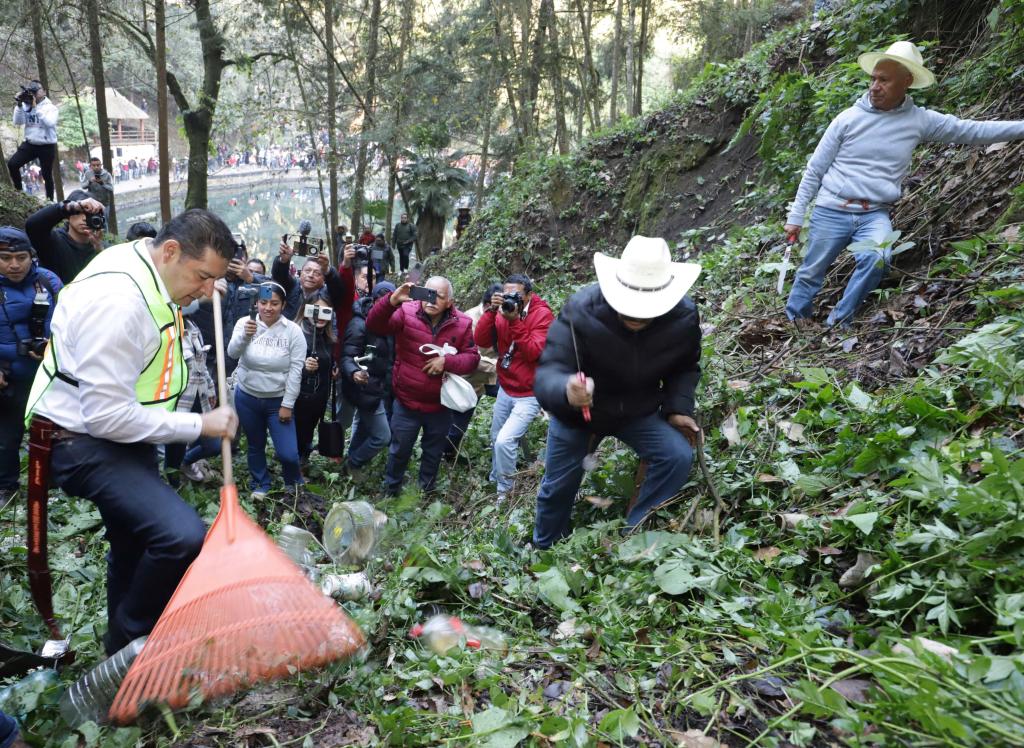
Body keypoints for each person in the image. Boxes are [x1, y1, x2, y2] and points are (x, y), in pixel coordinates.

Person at [24, 209, 239, 655]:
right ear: (171, 250)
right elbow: (105, 416)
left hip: (128, 430)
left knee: (133, 544)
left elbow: (167, 301)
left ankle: (119, 648)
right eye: (203, 277)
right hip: (79, 437)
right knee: (180, 536)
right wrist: (200, 424)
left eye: (214, 280)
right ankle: (130, 641)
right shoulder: (118, 303)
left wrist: (203, 285)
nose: (207, 290)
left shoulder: (148, 262)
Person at [785, 41, 1024, 328]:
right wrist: (796, 215)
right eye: (873, 79)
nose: (875, 87)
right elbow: (815, 169)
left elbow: (971, 130)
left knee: (877, 258)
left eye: (884, 80)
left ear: (906, 82)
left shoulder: (918, 121)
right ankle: (796, 322)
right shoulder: (847, 119)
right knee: (811, 272)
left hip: (874, 214)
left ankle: (838, 322)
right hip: (831, 209)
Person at [532, 236, 702, 548]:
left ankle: (634, 537)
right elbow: (549, 370)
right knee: (558, 486)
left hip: (637, 410)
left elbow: (685, 367)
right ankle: (546, 547)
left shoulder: (683, 316)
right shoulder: (582, 309)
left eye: (646, 310)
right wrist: (567, 391)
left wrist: (678, 409)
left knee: (676, 456)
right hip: (578, 414)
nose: (636, 316)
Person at [366, 276, 479, 495]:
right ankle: (391, 491)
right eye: (428, 294)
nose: (432, 301)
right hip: (406, 400)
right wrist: (391, 301)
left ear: (450, 302)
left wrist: (446, 362)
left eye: (439, 297)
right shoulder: (406, 312)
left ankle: (426, 493)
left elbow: (472, 358)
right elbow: (374, 324)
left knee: (433, 452)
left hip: (440, 404)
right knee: (399, 449)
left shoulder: (462, 322)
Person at [475, 274, 553, 501]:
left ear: (528, 295)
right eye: (506, 293)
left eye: (516, 295)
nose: (511, 298)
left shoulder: (542, 315)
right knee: (496, 437)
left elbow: (534, 352)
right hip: (506, 386)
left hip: (529, 392)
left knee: (504, 441)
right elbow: (481, 340)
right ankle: (497, 478)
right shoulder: (501, 311)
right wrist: (491, 311)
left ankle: (506, 494)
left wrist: (515, 321)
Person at [227, 281, 307, 499]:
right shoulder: (245, 323)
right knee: (255, 445)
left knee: (288, 453)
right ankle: (260, 483)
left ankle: (294, 483)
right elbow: (232, 353)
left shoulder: (293, 331)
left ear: (283, 305)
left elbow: (296, 370)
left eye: (274, 303)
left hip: (277, 400)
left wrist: (287, 404)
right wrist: (245, 335)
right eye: (263, 302)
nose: (268, 308)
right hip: (247, 397)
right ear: (257, 303)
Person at [0, 228, 62, 502]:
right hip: (8, 376)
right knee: (6, 439)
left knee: (53, 431)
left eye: (21, 257)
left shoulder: (49, 281)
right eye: (5, 258)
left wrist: (55, 346)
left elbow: (71, 321)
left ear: (31, 256)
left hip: (47, 374)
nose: (14, 265)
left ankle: (54, 483)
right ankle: (7, 488)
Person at [341, 281, 396, 478]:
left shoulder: (393, 322)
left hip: (382, 387)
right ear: (374, 301)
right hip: (365, 388)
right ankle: (354, 462)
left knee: (364, 428)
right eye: (382, 301)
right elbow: (347, 356)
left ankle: (350, 467)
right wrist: (354, 373)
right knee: (382, 436)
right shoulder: (360, 323)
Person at [164, 299, 220, 486]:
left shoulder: (192, 326)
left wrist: (210, 389)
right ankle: (174, 483)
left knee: (213, 445)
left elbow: (201, 363)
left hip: (199, 396)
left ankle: (185, 463)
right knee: (175, 448)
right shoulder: (167, 331)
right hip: (179, 401)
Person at [445, 283, 501, 460]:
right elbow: (471, 357)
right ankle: (446, 455)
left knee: (513, 400)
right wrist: (500, 365)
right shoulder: (469, 319)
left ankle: (504, 445)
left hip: (492, 376)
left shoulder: (505, 316)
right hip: (469, 379)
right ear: (488, 304)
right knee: (457, 427)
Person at [25, 191, 106, 284]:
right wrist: (70, 207)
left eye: (90, 214)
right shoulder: (53, 242)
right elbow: (32, 226)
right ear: (68, 215)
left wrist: (100, 253)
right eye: (78, 212)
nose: (84, 218)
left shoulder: (102, 248)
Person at [292, 294, 335, 463]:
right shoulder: (297, 333)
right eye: (315, 310)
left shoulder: (327, 336)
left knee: (307, 434)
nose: (320, 315)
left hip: (319, 397)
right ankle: (293, 467)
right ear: (306, 310)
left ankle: (303, 459)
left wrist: (332, 367)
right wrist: (304, 368)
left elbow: (326, 360)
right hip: (299, 398)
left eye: (325, 311)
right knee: (298, 434)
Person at [8, 81, 58, 200]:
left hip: (47, 145)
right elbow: (18, 122)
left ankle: (50, 201)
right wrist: (19, 105)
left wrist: (36, 108)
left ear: (44, 92)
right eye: (32, 92)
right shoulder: (26, 106)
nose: (34, 94)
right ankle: (19, 194)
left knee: (47, 175)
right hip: (30, 143)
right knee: (12, 164)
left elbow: (50, 123)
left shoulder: (51, 108)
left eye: (37, 91)